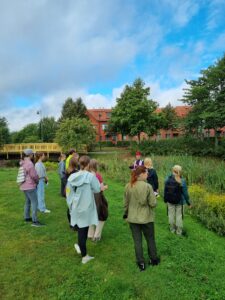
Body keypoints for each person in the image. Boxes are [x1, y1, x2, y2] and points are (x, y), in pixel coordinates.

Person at [124, 166, 160, 271]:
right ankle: (153, 260)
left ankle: (141, 264)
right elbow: (153, 204)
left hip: (133, 218)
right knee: (150, 239)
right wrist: (154, 197)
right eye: (146, 172)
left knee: (137, 241)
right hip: (146, 218)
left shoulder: (128, 186)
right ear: (141, 174)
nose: (148, 174)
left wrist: (126, 214)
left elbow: (125, 203)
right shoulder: (148, 187)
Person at [66, 155, 101, 264]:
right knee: (83, 231)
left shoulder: (72, 177)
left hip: (76, 206)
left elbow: (68, 192)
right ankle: (84, 256)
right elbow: (97, 189)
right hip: (86, 207)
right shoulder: (90, 177)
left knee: (81, 229)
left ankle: (80, 246)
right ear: (88, 164)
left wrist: (71, 205)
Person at [164, 165, 191, 235]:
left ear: (172, 170)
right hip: (180, 202)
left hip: (170, 201)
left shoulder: (167, 179)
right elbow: (185, 194)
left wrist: (165, 200)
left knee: (171, 215)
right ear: (180, 172)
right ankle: (179, 232)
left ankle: (172, 230)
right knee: (179, 216)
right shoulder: (182, 180)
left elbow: (165, 190)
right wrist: (189, 203)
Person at [19, 149, 44, 227]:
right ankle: (35, 221)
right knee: (34, 202)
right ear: (30, 155)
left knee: (27, 201)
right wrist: (37, 182)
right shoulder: (30, 163)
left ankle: (26, 217)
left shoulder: (22, 162)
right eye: (32, 154)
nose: (33, 155)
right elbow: (34, 176)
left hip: (23, 185)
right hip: (30, 186)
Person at [88, 159, 108, 241]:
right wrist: (105, 187)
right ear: (96, 166)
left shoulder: (86, 175)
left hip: (88, 197)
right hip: (97, 197)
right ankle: (96, 236)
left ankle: (90, 234)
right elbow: (101, 188)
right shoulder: (97, 175)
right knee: (102, 215)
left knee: (91, 215)